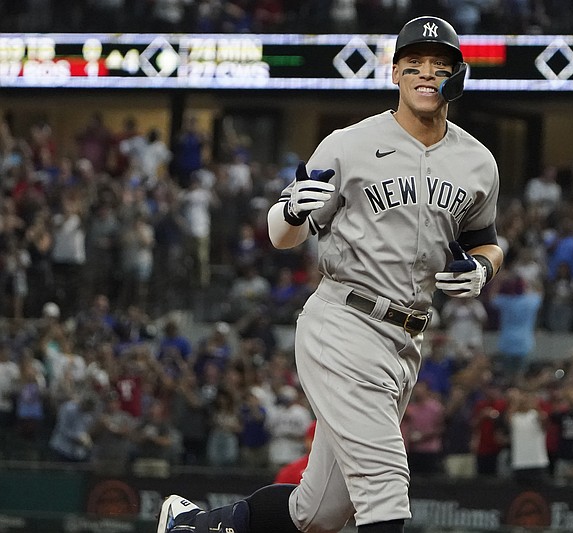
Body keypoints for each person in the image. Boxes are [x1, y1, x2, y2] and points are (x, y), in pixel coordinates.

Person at [157, 14, 503, 533]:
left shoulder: (478, 162)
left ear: (458, 74)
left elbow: (486, 240)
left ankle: (194, 526)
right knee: (386, 487)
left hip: (406, 339)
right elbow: (281, 232)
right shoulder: (349, 144)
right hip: (344, 321)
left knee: (319, 512)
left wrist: (482, 268)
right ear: (396, 74)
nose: (426, 74)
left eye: (439, 64)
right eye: (414, 65)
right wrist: (294, 210)